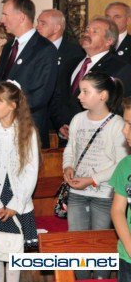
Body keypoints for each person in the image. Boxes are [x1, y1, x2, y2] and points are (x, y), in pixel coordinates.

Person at [63, 72, 126, 280]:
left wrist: (92, 179)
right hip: (77, 193)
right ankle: (81, 278)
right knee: (78, 242)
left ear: (103, 95)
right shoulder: (78, 119)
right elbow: (70, 148)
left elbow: (120, 163)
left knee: (101, 244)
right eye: (80, 91)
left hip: (104, 195)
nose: (79, 96)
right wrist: (67, 166)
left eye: (85, 91)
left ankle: (101, 278)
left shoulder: (117, 124)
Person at [0, 81, 40, 282]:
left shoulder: (27, 131)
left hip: (17, 198)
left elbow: (31, 170)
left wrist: (16, 204)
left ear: (12, 105)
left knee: (14, 250)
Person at [0, 0, 58, 148]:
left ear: (21, 17)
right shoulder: (9, 46)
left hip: (27, 127)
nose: (1, 20)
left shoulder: (45, 49)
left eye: (5, 14)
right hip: (1, 126)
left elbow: (41, 95)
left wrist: (7, 109)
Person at [53, 17, 131, 140]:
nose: (87, 34)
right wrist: (61, 124)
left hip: (97, 138)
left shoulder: (120, 68)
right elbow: (57, 96)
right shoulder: (71, 63)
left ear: (109, 41)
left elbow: (118, 107)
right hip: (65, 137)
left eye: (94, 31)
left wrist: (87, 129)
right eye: (87, 30)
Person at [36, 9, 86, 136]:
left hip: (63, 120)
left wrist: (62, 121)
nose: (37, 27)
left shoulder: (76, 53)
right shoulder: (33, 50)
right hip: (37, 116)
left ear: (57, 28)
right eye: (38, 22)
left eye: (43, 23)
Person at [109, 97, 131, 282]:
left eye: (130, 124)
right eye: (125, 123)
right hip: (127, 258)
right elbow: (117, 211)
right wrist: (130, 248)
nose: (124, 130)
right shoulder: (125, 166)